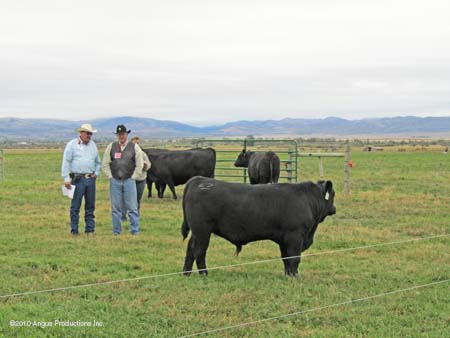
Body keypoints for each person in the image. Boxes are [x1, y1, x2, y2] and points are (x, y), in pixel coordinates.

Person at [102, 125, 144, 235]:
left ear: (127, 135)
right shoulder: (111, 146)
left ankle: (135, 231)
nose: (121, 136)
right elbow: (105, 164)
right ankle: (116, 232)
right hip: (115, 181)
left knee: (132, 208)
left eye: (123, 134)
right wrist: (110, 177)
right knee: (116, 208)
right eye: (119, 134)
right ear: (117, 135)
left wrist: (134, 177)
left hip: (129, 181)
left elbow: (140, 164)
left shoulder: (134, 147)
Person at [61, 123, 101, 236]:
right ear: (81, 133)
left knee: (90, 206)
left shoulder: (93, 145)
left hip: (90, 179)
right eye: (87, 133)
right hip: (77, 179)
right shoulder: (72, 145)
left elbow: (98, 162)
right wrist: (66, 178)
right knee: (75, 206)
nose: (89, 135)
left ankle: (90, 230)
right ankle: (74, 230)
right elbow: (66, 161)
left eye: (91, 134)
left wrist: (96, 173)